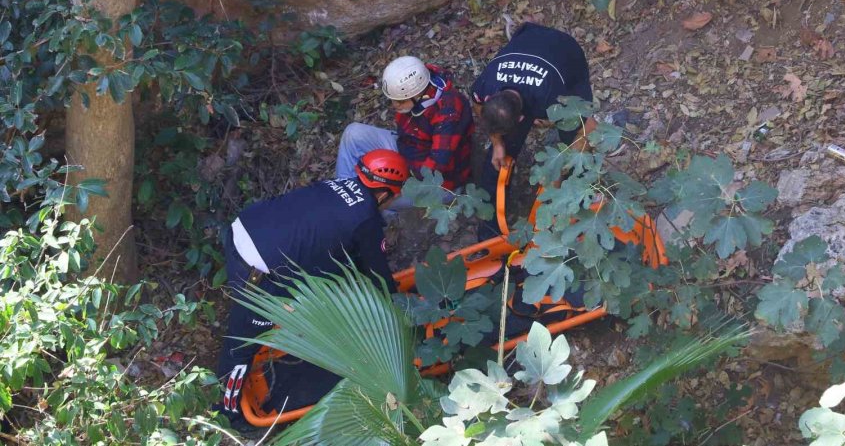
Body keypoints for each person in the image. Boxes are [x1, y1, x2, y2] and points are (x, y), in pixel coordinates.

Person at [215, 149, 410, 426]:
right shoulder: (367, 219)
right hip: (255, 267)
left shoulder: (337, 185)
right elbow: (380, 278)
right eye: (396, 193)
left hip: (245, 227)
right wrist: (397, 313)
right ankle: (227, 411)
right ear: (383, 193)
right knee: (242, 343)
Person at [470, 22, 598, 240]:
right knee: (498, 159)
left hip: (565, 52)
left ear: (523, 119)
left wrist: (561, 171)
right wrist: (498, 144)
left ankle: (586, 194)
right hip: (529, 38)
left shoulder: (554, 99)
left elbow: (589, 127)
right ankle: (489, 236)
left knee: (574, 139)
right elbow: (479, 108)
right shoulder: (486, 84)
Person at [336, 56, 473, 208]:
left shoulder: (448, 114)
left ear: (418, 94)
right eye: (393, 100)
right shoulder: (420, 80)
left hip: (437, 183)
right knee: (353, 133)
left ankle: (366, 214)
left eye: (400, 101)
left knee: (373, 198)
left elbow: (434, 169)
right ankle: (342, 194)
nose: (395, 105)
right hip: (408, 149)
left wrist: (391, 181)